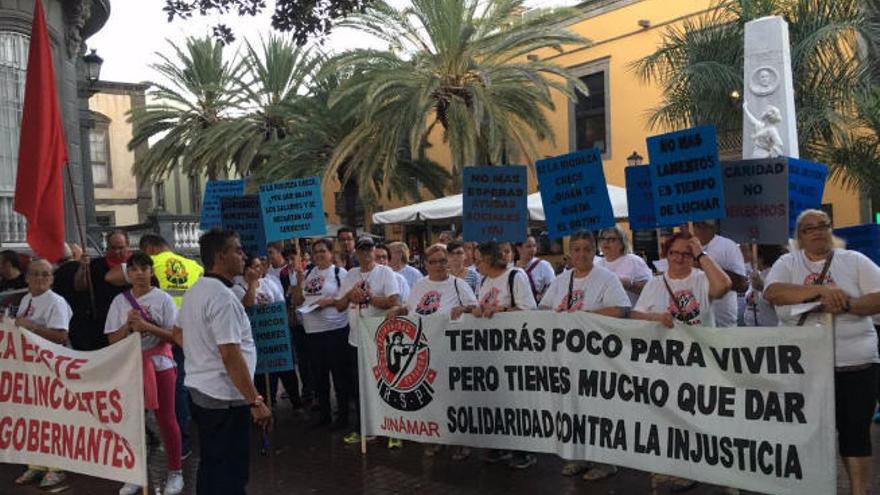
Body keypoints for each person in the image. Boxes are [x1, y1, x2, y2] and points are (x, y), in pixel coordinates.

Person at [764, 209, 880, 495]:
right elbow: (773, 292)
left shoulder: (853, 260)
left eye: (823, 226)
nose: (817, 231)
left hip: (855, 364)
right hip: (805, 368)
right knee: (808, 435)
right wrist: (820, 292)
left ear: (831, 229)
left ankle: (859, 491)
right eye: (809, 228)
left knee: (855, 434)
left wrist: (847, 305)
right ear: (800, 237)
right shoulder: (787, 262)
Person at [174, 229, 272, 494]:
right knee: (230, 469)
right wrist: (256, 401)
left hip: (203, 389)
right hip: (225, 397)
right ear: (220, 257)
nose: (243, 255)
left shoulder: (196, 290)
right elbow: (230, 355)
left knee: (212, 461)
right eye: (237, 250)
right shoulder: (222, 297)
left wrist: (200, 354)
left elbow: (178, 332)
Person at [537, 231, 631, 480]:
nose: (580, 254)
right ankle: (578, 457)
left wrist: (583, 317)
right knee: (571, 408)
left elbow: (621, 309)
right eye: (576, 249)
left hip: (596, 357)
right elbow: (545, 308)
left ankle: (604, 462)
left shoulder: (606, 278)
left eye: (586, 249)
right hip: (566, 357)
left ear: (594, 251)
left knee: (597, 410)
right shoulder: (561, 280)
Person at [105, 252, 184, 495]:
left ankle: (175, 471)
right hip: (131, 366)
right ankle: (135, 473)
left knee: (166, 418)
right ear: (128, 274)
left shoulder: (163, 299)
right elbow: (111, 339)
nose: (139, 273)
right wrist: (127, 326)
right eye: (134, 269)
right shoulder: (120, 302)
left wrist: (147, 327)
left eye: (144, 268)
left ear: (152, 271)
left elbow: (175, 336)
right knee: (132, 420)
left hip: (160, 364)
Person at [473, 241, 538, 469]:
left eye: (478, 259)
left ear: (490, 259)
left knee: (518, 400)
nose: (475, 264)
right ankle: (500, 443)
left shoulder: (515, 276)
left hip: (515, 349)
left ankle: (524, 449)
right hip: (490, 351)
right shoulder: (483, 280)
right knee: (496, 399)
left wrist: (499, 310)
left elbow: (529, 311)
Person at [139, 233, 203, 458]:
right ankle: (193, 436)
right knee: (191, 384)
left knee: (174, 391)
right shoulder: (193, 265)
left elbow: (114, 276)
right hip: (193, 332)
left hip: (166, 335)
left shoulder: (152, 263)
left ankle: (181, 442)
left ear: (149, 249)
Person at [334, 236, 400, 446]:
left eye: (369, 249)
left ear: (374, 251)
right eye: (361, 250)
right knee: (360, 387)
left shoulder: (385, 272)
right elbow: (339, 305)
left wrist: (368, 298)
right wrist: (350, 296)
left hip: (380, 340)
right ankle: (365, 428)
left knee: (388, 384)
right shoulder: (351, 274)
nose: (365, 253)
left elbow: (393, 301)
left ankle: (394, 429)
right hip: (356, 340)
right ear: (357, 252)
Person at [13, 259, 72, 489]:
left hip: (51, 368)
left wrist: (33, 327)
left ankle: (56, 468)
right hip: (30, 368)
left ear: (52, 279)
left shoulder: (56, 302)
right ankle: (36, 465)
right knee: (34, 418)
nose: (40, 278)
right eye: (36, 274)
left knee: (53, 420)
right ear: (27, 277)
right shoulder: (27, 299)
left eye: (45, 274)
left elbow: (61, 336)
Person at [292, 238, 350, 428]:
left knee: (340, 378)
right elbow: (298, 301)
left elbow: (346, 300)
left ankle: (343, 417)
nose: (318, 255)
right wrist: (299, 281)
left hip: (335, 331)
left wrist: (328, 302)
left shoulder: (340, 273)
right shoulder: (307, 273)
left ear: (331, 253)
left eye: (322, 251)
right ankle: (324, 415)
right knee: (319, 377)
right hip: (313, 332)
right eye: (315, 251)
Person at [633, 231, 732, 328]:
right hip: (666, 344)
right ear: (666, 254)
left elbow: (723, 286)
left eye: (686, 254)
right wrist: (655, 318)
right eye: (674, 253)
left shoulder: (703, 279)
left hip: (700, 344)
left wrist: (701, 254)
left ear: (694, 257)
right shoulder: (653, 284)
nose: (679, 258)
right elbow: (635, 315)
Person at [75, 230, 132, 347]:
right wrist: (82, 267)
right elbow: (80, 286)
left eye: (120, 248)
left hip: (129, 321)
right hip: (102, 322)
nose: (116, 252)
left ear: (128, 246)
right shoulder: (96, 265)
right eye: (112, 248)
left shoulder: (136, 266)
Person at [692, 220, 748, 327]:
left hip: (723, 324)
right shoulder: (684, 248)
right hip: (694, 327)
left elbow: (742, 285)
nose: (682, 229)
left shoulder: (727, 246)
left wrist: (704, 265)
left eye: (685, 225)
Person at [595, 226, 653, 305]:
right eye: (602, 239)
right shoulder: (597, 265)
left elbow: (651, 290)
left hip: (630, 314)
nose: (605, 242)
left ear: (622, 243)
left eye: (611, 239)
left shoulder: (633, 261)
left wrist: (629, 285)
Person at [743, 244, 786, 327]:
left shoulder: (777, 275)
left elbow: (784, 305)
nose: (748, 257)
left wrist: (762, 288)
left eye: (750, 252)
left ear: (760, 257)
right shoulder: (759, 275)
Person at [515, 236, 555, 302]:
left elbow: (554, 287)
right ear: (519, 248)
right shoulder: (512, 269)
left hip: (540, 309)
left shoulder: (544, 265)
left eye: (534, 246)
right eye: (528, 246)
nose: (532, 249)